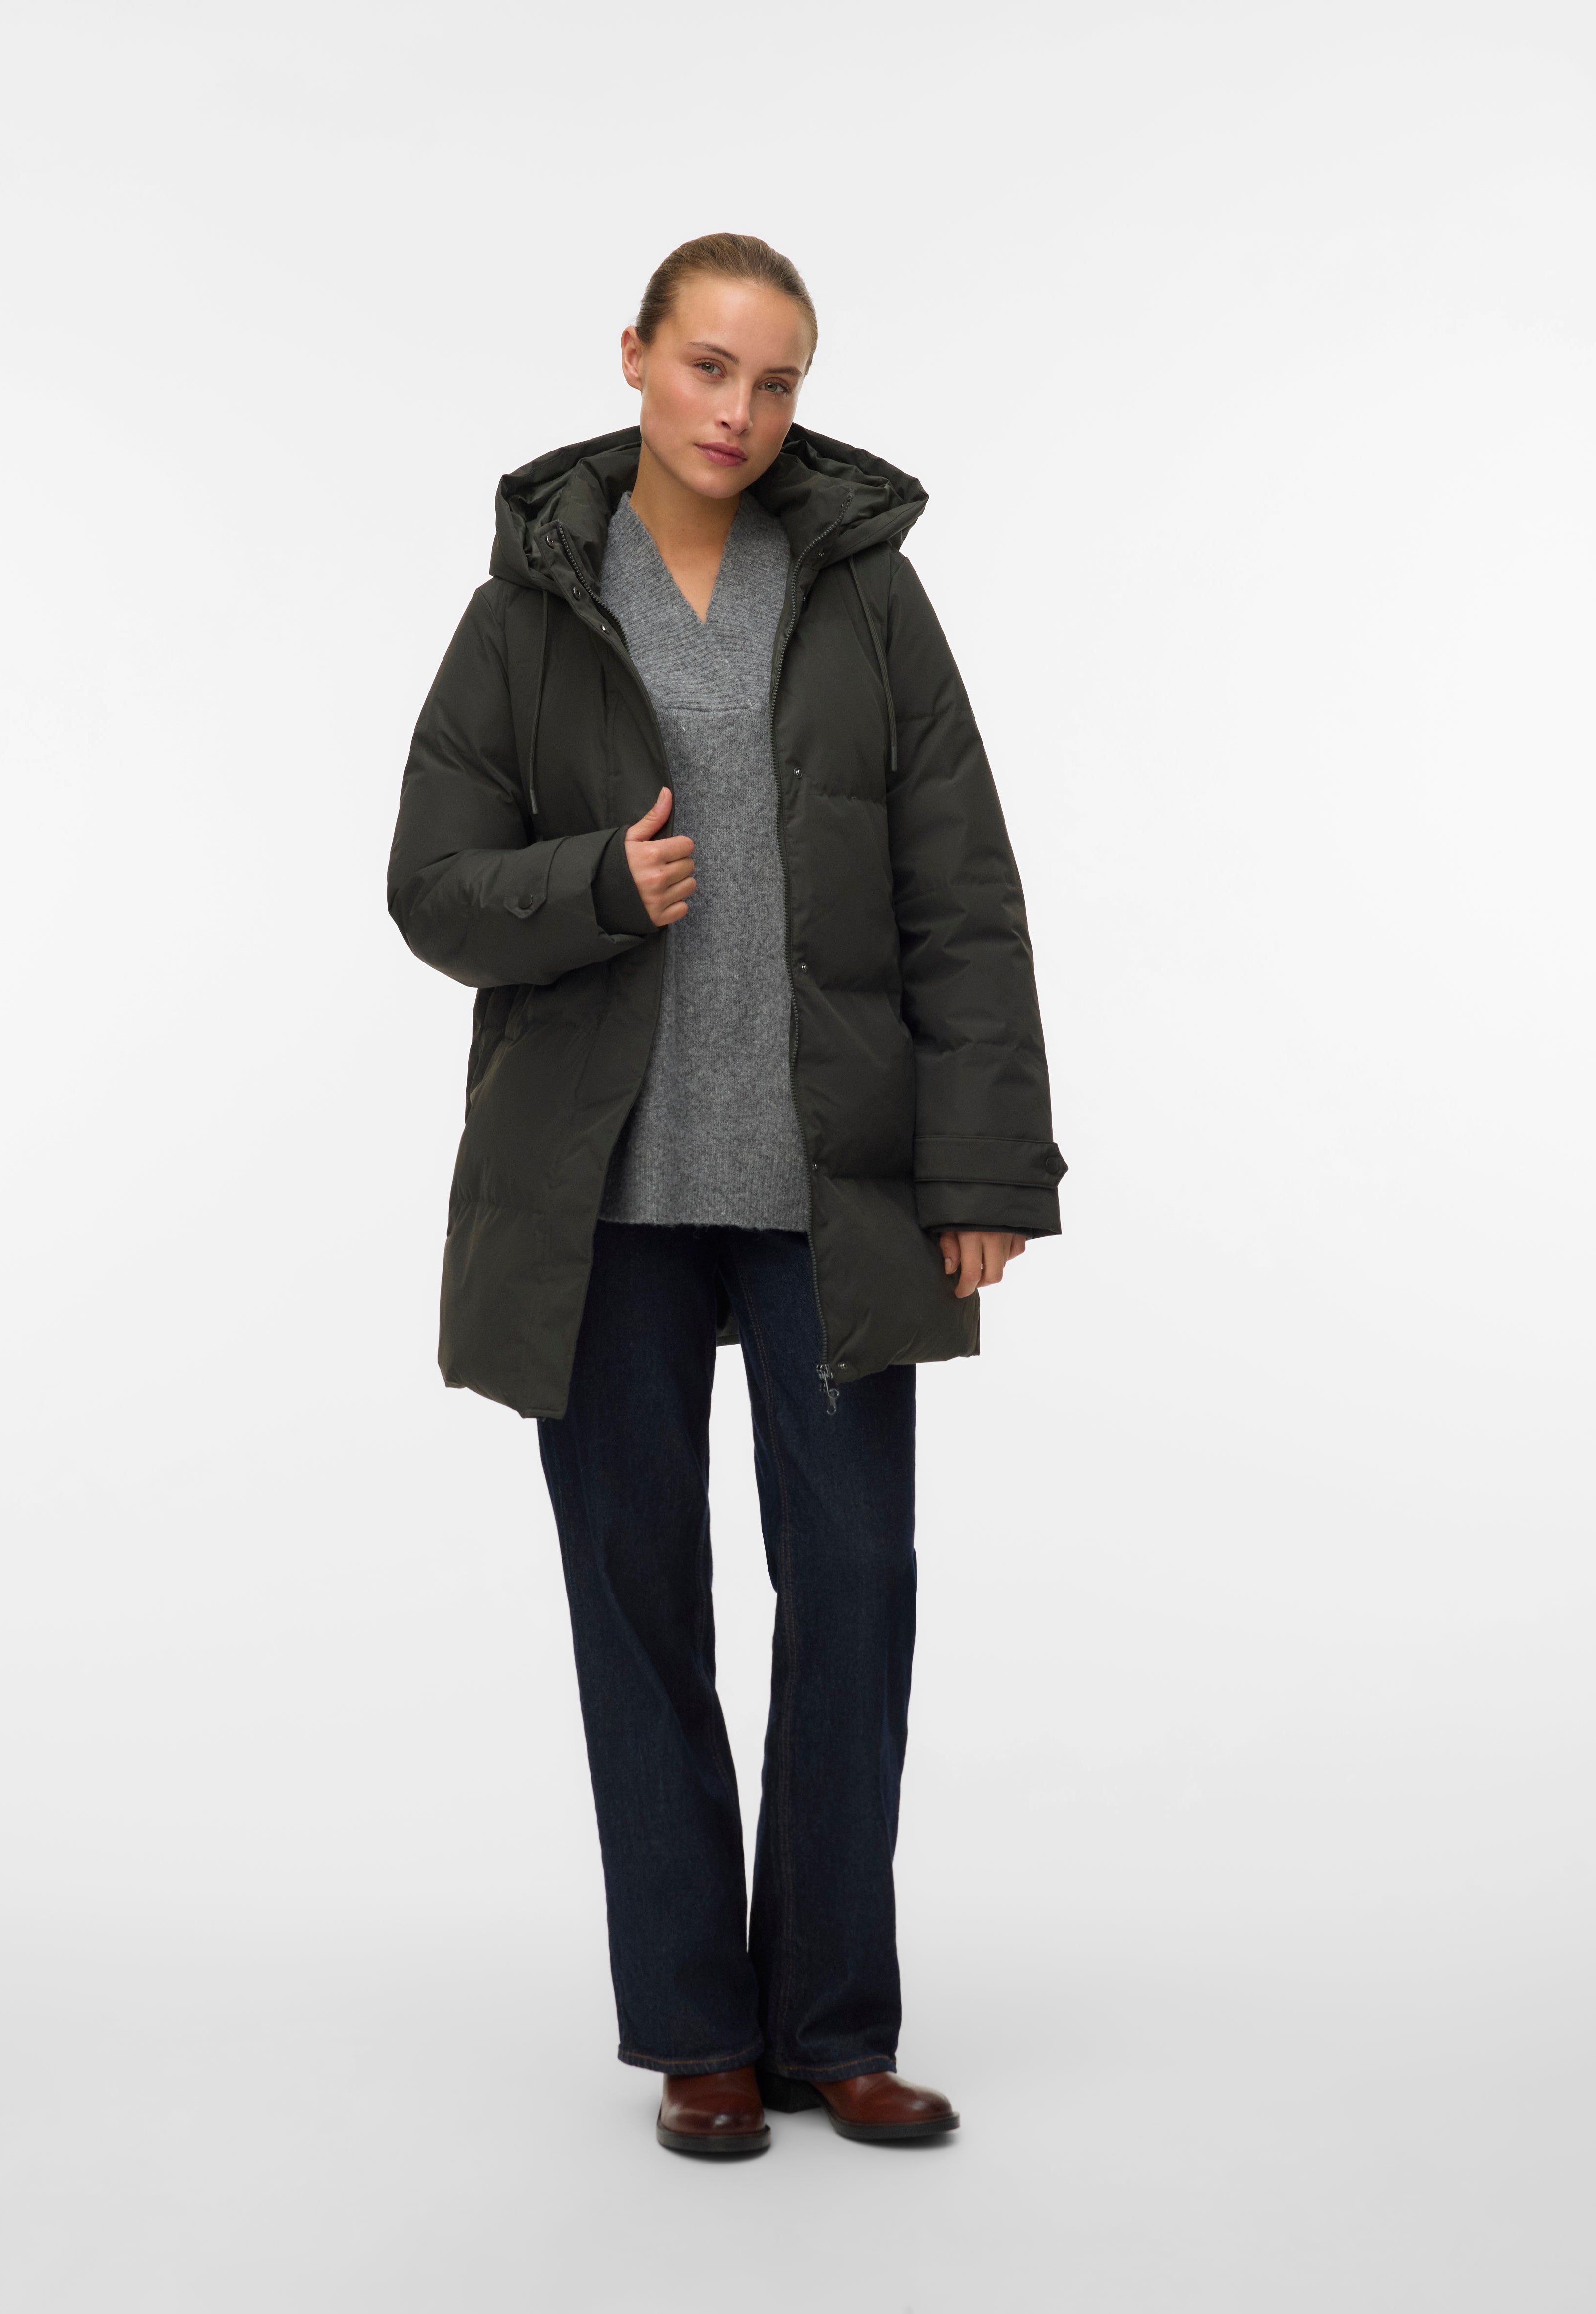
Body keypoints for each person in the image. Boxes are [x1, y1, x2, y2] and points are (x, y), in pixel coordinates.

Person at [387, 233, 1064, 2156]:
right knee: (638, 1605)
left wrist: (981, 1166)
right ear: (633, 357)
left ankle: (832, 2023)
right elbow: (432, 886)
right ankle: (696, 2026)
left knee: (854, 1591)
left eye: (774, 383)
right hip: (596, 1200)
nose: (738, 413)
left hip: (827, 1193)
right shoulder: (528, 608)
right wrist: (597, 885)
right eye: (707, 367)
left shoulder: (861, 593)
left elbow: (962, 890)